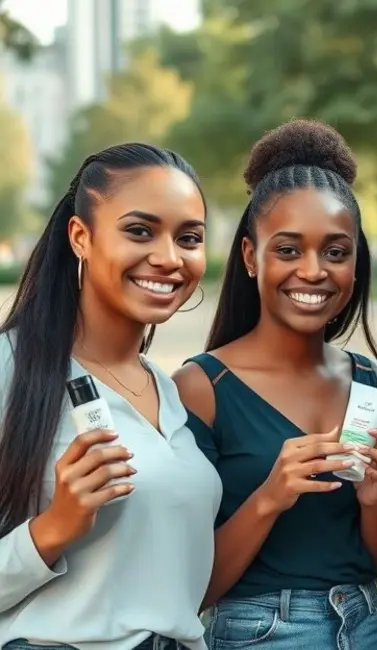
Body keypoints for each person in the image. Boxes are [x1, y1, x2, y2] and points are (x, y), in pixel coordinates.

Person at [173, 120, 377, 650]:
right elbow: (193, 590)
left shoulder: (370, 383)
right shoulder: (202, 387)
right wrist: (269, 497)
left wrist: (372, 500)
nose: (314, 271)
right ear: (252, 257)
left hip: (366, 627)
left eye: (336, 252)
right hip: (260, 633)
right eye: (289, 250)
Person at [0, 144, 220, 650]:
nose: (168, 258)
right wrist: (54, 528)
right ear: (81, 236)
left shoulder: (168, 390)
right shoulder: (13, 370)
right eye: (140, 231)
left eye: (189, 238)